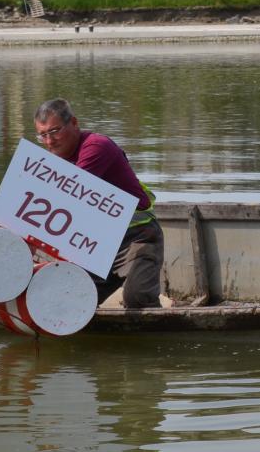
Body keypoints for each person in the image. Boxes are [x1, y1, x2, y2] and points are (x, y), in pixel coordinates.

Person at [33, 97, 163, 309]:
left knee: (138, 299)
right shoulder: (56, 159)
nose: (49, 141)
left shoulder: (96, 147)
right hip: (98, 244)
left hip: (137, 237)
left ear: (74, 123)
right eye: (43, 135)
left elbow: (67, 196)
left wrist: (33, 236)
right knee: (70, 303)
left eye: (54, 131)